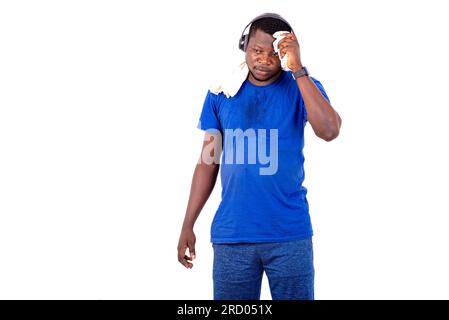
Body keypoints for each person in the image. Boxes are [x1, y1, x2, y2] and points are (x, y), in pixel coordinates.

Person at [177, 13, 342, 300]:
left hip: (289, 234)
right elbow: (207, 162)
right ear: (244, 46)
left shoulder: (302, 87)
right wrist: (188, 224)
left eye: (273, 53)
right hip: (232, 236)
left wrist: (299, 69)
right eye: (256, 50)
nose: (264, 60)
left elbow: (329, 130)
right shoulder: (221, 93)